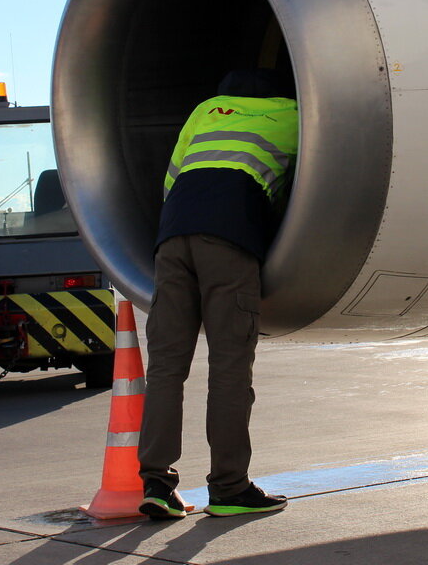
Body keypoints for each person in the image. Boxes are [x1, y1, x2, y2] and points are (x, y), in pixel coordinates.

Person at [138, 69, 298, 519]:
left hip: (172, 237)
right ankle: (229, 487)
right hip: (229, 236)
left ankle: (156, 484)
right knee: (229, 368)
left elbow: (171, 180)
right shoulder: (295, 114)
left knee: (167, 367)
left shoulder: (206, 110)